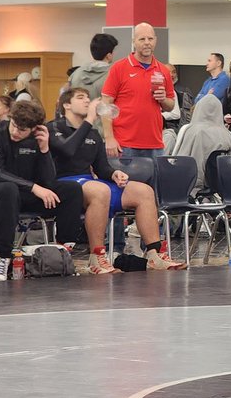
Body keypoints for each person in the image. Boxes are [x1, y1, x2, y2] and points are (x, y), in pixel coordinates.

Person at [49, 87, 185, 273]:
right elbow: (67, 150)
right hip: (65, 183)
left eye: (88, 98)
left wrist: (114, 174)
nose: (87, 101)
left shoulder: (93, 134)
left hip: (91, 182)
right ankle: (97, 257)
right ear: (66, 104)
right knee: (100, 189)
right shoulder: (54, 128)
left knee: (143, 191)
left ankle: (154, 254)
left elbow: (101, 168)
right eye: (81, 98)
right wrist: (89, 120)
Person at [0, 100, 84, 281]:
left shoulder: (38, 138)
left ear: (34, 128)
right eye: (14, 125)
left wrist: (44, 150)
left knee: (72, 189)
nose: (15, 132)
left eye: (22, 130)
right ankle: (2, 257)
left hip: (23, 194)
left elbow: (49, 182)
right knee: (7, 189)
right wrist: (34, 188)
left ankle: (63, 251)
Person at [100, 23, 176, 160]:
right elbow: (105, 104)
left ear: (155, 40)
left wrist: (163, 99)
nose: (147, 43)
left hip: (155, 145)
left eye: (150, 39)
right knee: (123, 182)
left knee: (152, 182)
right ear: (133, 42)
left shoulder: (163, 70)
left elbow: (170, 106)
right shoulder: (119, 68)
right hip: (124, 144)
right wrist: (109, 138)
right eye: (142, 39)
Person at [173, 95, 231, 194]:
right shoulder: (228, 134)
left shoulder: (187, 129)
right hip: (222, 186)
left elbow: (175, 158)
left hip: (189, 185)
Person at [69, 33, 118, 132]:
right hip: (105, 132)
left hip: (78, 130)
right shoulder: (115, 75)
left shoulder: (75, 74)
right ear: (109, 55)